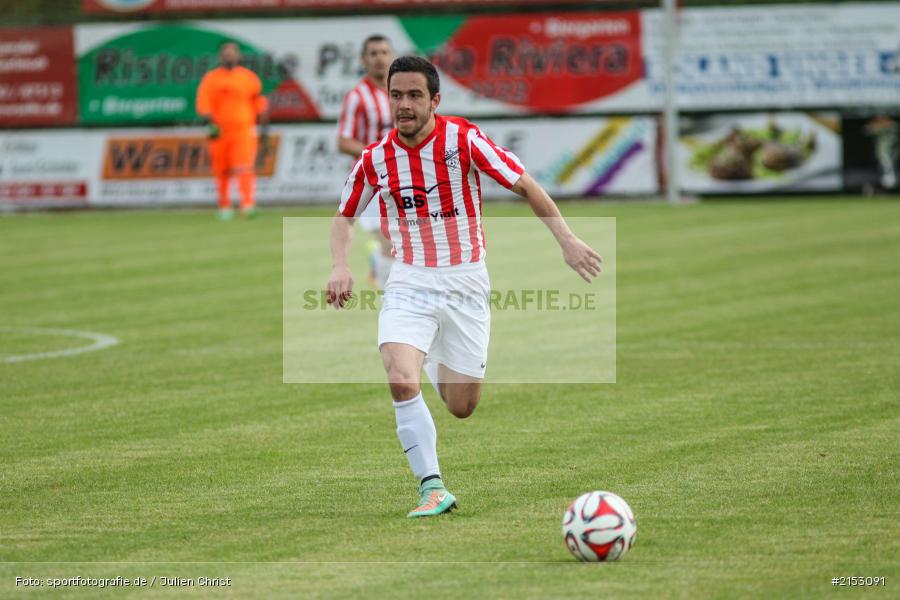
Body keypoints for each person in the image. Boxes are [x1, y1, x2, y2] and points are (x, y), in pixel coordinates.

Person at [326, 56, 602, 518]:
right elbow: (345, 216)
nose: (404, 105)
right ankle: (432, 487)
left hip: (466, 281)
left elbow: (526, 185)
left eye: (415, 95)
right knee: (398, 374)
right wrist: (340, 264)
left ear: (435, 99)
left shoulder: (464, 140)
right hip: (409, 279)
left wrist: (568, 240)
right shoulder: (375, 158)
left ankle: (430, 351)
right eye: (396, 95)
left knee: (461, 405)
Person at [336, 34, 395, 287]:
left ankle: (380, 269)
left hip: (403, 179)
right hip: (371, 182)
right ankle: (389, 296)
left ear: (392, 56)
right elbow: (343, 141)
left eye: (383, 52)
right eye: (373, 53)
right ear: (364, 59)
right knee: (390, 243)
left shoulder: (403, 92)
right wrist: (376, 156)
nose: (379, 58)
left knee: (402, 243)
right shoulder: (358, 96)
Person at [196, 41, 269, 220]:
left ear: (238, 56)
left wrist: (265, 128)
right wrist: (210, 124)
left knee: (244, 168)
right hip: (220, 132)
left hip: (243, 131)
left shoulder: (248, 78)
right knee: (222, 170)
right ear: (221, 56)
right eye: (226, 53)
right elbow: (204, 105)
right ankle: (224, 205)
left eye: (232, 53)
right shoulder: (211, 78)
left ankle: (247, 204)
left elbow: (259, 104)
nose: (229, 56)